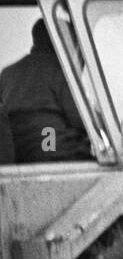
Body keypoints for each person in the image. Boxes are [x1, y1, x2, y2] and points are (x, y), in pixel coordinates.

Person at [0, 19, 92, 162]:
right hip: (52, 149)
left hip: (21, 153)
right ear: (58, 39)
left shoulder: (7, 73)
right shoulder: (59, 70)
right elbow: (81, 119)